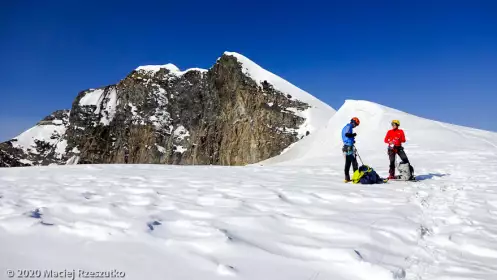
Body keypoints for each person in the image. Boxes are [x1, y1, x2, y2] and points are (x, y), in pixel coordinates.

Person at [342, 117, 360, 182]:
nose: (355, 126)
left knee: (348, 162)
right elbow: (347, 134)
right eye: (356, 124)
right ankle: (356, 177)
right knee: (354, 162)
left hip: (346, 147)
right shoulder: (349, 126)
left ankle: (347, 178)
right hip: (349, 147)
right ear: (353, 122)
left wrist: (352, 140)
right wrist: (353, 135)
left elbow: (346, 136)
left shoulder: (346, 127)